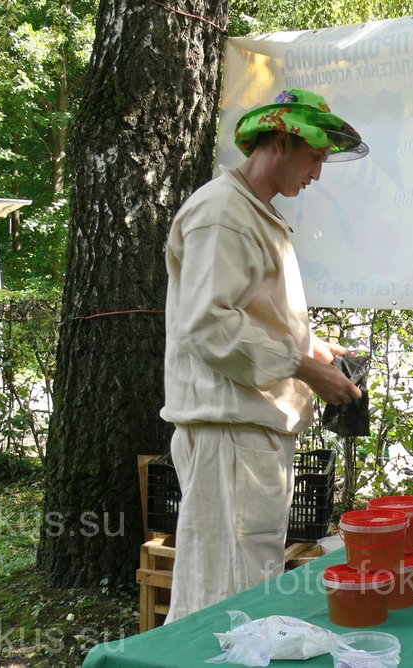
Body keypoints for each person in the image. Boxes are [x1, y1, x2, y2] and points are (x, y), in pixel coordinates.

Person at [161, 89, 365, 621]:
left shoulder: (249, 211)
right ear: (280, 143)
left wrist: (311, 345)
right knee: (229, 595)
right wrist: (304, 368)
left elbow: (248, 312)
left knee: (239, 579)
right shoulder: (223, 215)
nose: (318, 173)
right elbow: (208, 325)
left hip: (246, 429)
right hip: (229, 429)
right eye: (316, 158)